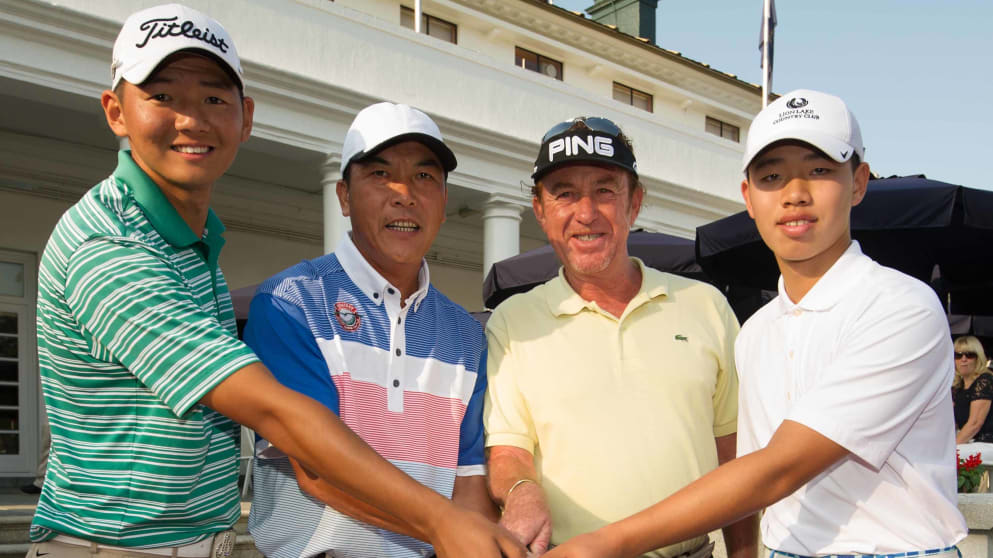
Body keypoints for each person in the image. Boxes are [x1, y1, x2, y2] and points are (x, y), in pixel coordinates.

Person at [27, 5, 523, 558]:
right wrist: (441, 523)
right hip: (110, 548)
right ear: (117, 111)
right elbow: (277, 414)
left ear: (246, 117)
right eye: (163, 96)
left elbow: (470, 475)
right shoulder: (113, 246)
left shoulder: (193, 245)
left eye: (214, 98)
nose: (192, 119)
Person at [544, 89, 968, 558]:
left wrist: (602, 543)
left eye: (820, 170)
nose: (795, 194)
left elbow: (776, 468)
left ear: (859, 182)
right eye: (771, 176)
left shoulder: (900, 308)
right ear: (748, 196)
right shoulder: (758, 331)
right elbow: (749, 471)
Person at [484, 116, 757, 558]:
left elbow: (736, 456)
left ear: (635, 203)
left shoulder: (706, 306)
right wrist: (520, 491)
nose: (586, 213)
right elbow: (508, 449)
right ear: (540, 209)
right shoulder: (512, 322)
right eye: (564, 193)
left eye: (605, 191)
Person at [245, 102, 499, 558]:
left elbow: (470, 484)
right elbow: (318, 472)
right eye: (380, 175)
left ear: (444, 202)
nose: (404, 194)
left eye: (424, 177)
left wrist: (473, 538)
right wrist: (448, 530)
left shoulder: (467, 335)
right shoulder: (292, 301)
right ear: (344, 196)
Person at [952, 335, 993, 443]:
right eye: (958, 355)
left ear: (978, 358)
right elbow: (951, 422)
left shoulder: (985, 381)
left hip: (986, 444)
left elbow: (975, 424)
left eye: (969, 355)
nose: (963, 359)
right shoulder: (957, 387)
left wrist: (952, 448)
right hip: (969, 443)